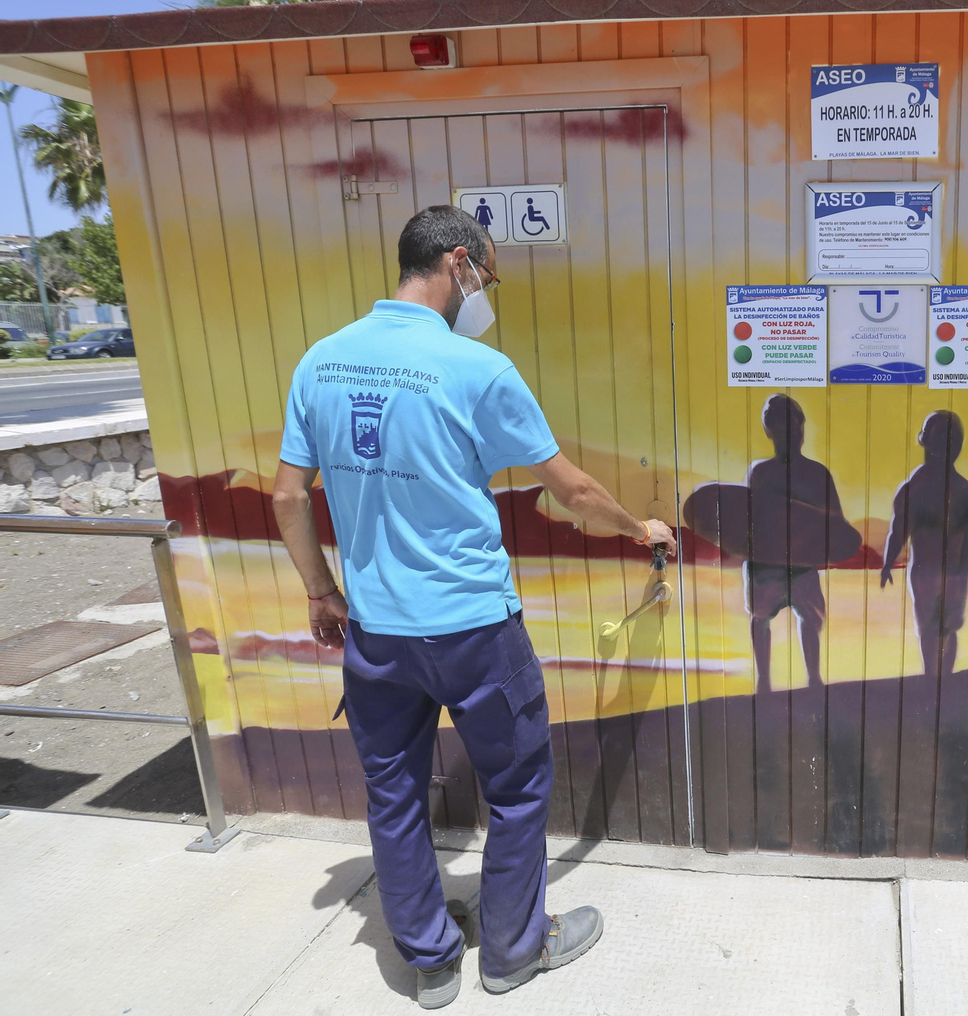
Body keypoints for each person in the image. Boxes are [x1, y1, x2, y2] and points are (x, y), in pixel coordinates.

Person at [271, 205, 674, 1010]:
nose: (484, 291)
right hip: (475, 632)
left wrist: (322, 591)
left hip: (378, 636)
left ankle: (429, 959)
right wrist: (642, 528)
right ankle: (515, 950)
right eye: (486, 275)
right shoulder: (477, 369)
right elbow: (572, 491)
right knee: (517, 791)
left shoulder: (322, 361)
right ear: (457, 263)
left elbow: (287, 497)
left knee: (393, 795)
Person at [745, 394, 841, 693]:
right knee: (760, 618)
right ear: (770, 430)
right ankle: (764, 681)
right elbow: (749, 520)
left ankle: (813, 678)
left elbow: (835, 521)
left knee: (811, 619)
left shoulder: (817, 473)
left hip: (802, 564)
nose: (792, 431)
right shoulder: (760, 472)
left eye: (795, 424)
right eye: (782, 425)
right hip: (765, 566)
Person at [880, 410, 968, 675]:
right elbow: (898, 531)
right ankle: (934, 678)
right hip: (929, 573)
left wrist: (965, 574)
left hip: (948, 574)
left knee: (945, 626)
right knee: (934, 627)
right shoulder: (918, 489)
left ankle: (941, 678)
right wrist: (887, 563)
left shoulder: (964, 494)